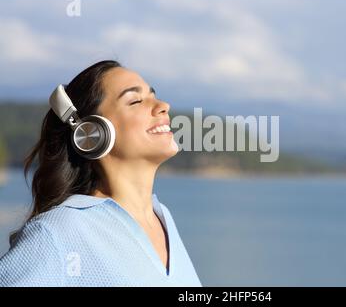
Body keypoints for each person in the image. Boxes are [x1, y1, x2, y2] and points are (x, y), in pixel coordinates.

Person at [0, 60, 202, 287]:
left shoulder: (162, 217)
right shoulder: (57, 231)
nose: (163, 105)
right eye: (135, 100)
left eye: (153, 95)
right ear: (91, 133)